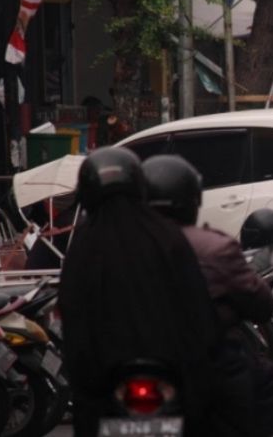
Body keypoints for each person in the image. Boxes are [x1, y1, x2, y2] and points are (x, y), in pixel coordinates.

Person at [59, 147, 218, 437]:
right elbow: (197, 308)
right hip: (168, 368)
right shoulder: (166, 236)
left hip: (103, 377)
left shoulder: (82, 245)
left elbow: (72, 315)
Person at [142, 154, 273, 437]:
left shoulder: (108, 246)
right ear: (192, 200)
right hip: (201, 363)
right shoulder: (213, 246)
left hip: (123, 363)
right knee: (263, 380)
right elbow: (261, 304)